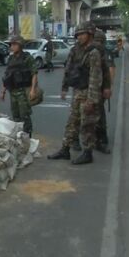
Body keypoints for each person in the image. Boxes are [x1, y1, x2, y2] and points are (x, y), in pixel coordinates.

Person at [48, 21, 103, 165]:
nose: (79, 37)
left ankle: (87, 152)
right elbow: (68, 69)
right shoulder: (75, 50)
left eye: (82, 34)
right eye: (77, 34)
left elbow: (95, 77)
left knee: (87, 123)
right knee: (72, 121)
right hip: (77, 91)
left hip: (87, 92)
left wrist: (91, 100)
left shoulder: (94, 52)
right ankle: (65, 149)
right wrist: (64, 87)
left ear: (89, 34)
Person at [0, 36, 38, 136]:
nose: (12, 46)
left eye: (14, 44)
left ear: (20, 45)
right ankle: (19, 136)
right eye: (11, 44)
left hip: (23, 91)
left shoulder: (27, 58)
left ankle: (28, 136)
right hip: (13, 91)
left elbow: (34, 74)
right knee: (16, 116)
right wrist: (3, 91)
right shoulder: (11, 59)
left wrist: (33, 90)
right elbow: (7, 76)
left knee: (25, 116)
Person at [93, 29, 114, 154]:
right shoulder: (89, 50)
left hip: (100, 87)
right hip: (89, 87)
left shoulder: (104, 52)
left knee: (99, 114)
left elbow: (110, 69)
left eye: (100, 41)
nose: (98, 43)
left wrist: (108, 87)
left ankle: (101, 138)